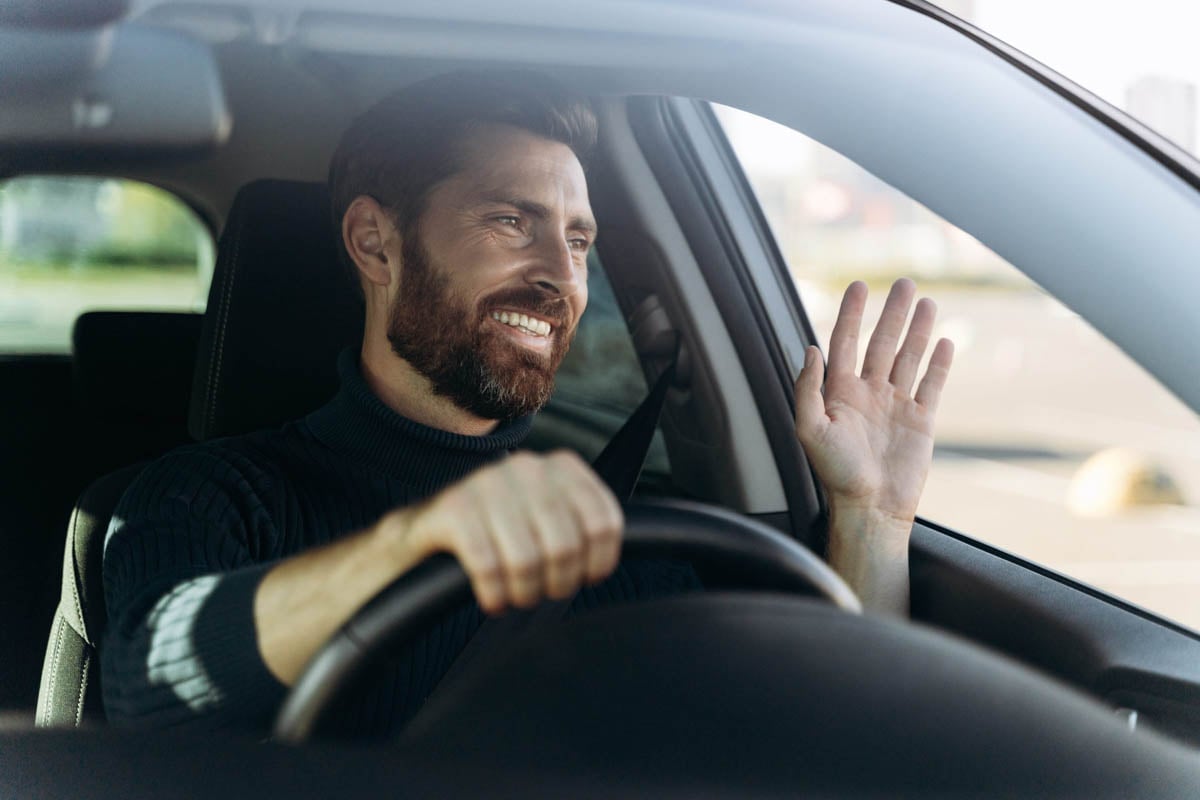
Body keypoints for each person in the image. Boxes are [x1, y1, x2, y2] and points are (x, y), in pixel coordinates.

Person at [101, 72, 953, 736]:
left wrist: (872, 516)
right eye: (512, 222)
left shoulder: (634, 547)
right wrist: (415, 545)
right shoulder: (210, 496)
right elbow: (151, 693)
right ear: (375, 242)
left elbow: (821, 739)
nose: (561, 276)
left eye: (578, 238)